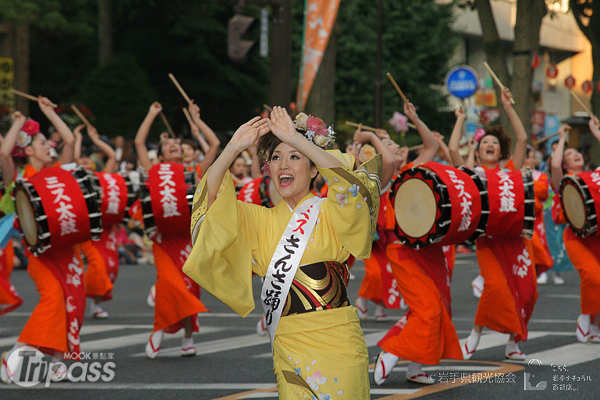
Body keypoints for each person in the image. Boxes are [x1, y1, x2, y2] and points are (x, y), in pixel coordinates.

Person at [183, 106, 381, 398]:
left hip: (338, 337)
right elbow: (209, 207)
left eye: (294, 157)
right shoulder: (256, 220)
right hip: (288, 342)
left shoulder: (331, 211)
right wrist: (232, 149)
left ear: (313, 167)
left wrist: (299, 139)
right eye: (275, 158)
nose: (283, 165)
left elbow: (354, 189)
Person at [374, 102, 462, 385]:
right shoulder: (380, 180)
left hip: (429, 248)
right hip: (402, 251)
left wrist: (415, 116)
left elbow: (431, 146)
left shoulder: (413, 170)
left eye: (396, 145)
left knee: (437, 305)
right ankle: (392, 349)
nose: (396, 148)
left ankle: (416, 365)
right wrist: (369, 140)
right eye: (386, 145)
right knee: (427, 307)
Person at [448, 88, 536, 361]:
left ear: (501, 150)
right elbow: (452, 150)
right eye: (485, 142)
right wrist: (460, 119)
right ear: (478, 147)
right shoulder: (471, 175)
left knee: (528, 291)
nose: (489, 145)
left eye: (494, 143)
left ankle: (513, 342)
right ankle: (475, 332)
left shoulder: (511, 171)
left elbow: (522, 138)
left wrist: (509, 107)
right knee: (495, 287)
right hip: (489, 241)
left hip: (517, 241)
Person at [1, 98, 81, 384]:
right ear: (29, 150)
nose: (51, 146)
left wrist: (49, 111)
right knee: (53, 300)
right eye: (44, 142)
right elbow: (4, 153)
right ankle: (15, 354)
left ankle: (59, 362)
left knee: (72, 302)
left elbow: (70, 139)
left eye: (50, 142)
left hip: (67, 252)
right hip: (41, 255)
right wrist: (18, 124)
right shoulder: (21, 180)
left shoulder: (59, 174)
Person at [134, 102, 209, 358]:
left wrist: (197, 122)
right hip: (163, 240)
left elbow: (216, 148)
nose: (174, 145)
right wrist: (152, 113)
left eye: (178, 143)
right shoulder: (154, 172)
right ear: (162, 155)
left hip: (188, 240)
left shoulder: (193, 172)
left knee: (189, 287)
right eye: (168, 145)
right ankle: (158, 330)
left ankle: (188, 339)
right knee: (168, 285)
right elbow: (139, 144)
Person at [551, 120, 600, 343]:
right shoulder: (563, 182)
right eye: (569, 154)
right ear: (565, 162)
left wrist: (595, 132)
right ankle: (585, 315)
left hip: (598, 237)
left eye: (576, 152)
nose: (576, 155)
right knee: (593, 276)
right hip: (577, 238)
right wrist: (562, 138)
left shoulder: (596, 174)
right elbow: (553, 166)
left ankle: (595, 326)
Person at [74, 124, 119, 319]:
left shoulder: (102, 179)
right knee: (96, 265)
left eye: (87, 160)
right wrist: (76, 138)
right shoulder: (73, 180)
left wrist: (95, 139)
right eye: (81, 161)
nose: (85, 162)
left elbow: (112, 156)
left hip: (104, 230)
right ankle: (86, 302)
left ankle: (95, 302)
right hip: (85, 231)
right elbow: (73, 159)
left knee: (110, 267)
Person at [522, 147, 553, 284]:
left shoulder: (540, 175)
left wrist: (527, 184)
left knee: (538, 248)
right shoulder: (514, 173)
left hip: (536, 217)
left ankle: (537, 271)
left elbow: (543, 191)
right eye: (530, 157)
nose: (533, 160)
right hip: (521, 218)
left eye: (534, 157)